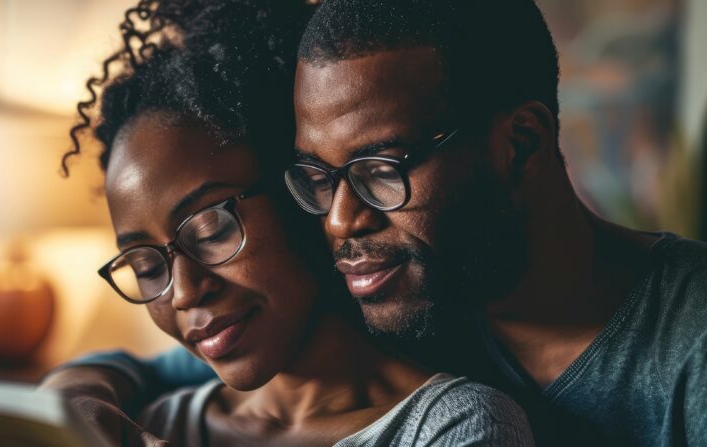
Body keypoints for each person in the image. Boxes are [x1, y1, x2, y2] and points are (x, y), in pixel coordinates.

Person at [45, 0, 707, 445]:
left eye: (380, 168)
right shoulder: (415, 293)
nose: (337, 222)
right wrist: (69, 390)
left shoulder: (687, 348)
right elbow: (170, 366)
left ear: (522, 143)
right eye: (318, 177)